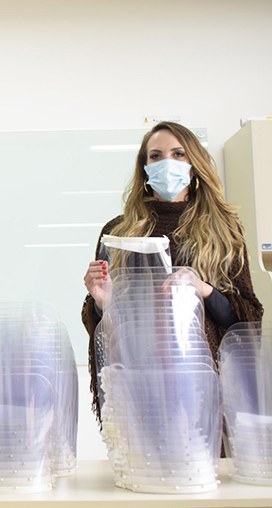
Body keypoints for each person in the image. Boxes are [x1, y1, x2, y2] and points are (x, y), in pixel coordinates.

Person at [81, 121, 263, 424]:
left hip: (206, 387)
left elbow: (248, 318)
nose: (167, 162)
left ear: (194, 166)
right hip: (138, 383)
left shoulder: (224, 231)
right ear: (145, 167)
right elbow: (101, 326)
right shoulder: (117, 231)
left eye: (178, 154)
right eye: (156, 156)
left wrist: (202, 289)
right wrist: (103, 302)